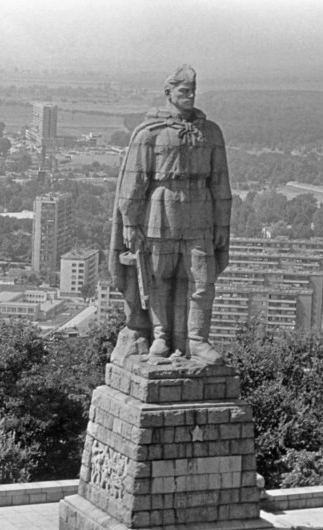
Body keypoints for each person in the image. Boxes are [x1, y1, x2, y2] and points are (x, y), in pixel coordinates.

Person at [109, 64, 232, 365]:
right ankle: (161, 336)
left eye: (193, 91)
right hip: (159, 211)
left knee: (201, 281)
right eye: (183, 91)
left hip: (200, 212)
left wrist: (222, 223)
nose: (190, 96)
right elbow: (133, 181)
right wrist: (130, 222)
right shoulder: (151, 133)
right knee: (158, 278)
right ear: (169, 93)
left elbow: (220, 181)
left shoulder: (210, 132)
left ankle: (196, 340)